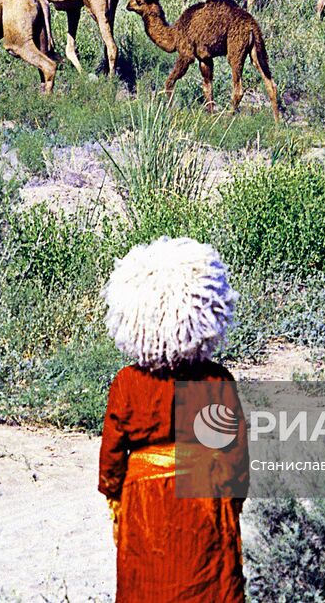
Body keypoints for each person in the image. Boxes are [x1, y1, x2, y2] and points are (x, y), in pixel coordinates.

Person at [98, 236, 249, 602]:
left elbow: (112, 460)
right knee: (207, 584)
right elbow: (234, 465)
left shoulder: (128, 383)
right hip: (204, 498)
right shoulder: (214, 381)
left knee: (147, 586)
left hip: (145, 503)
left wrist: (116, 498)